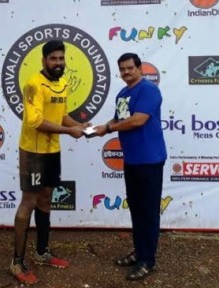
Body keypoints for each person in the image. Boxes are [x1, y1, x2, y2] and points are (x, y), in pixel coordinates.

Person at [10, 40, 90, 285]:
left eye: (61, 58)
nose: (58, 63)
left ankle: (42, 252)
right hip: (33, 153)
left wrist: (77, 126)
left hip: (52, 150)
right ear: (43, 60)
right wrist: (70, 132)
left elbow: (61, 115)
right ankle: (16, 262)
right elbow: (36, 122)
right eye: (53, 58)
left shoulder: (63, 83)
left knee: (46, 199)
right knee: (29, 202)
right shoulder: (33, 84)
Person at [95, 53, 167, 281]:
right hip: (132, 160)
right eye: (122, 69)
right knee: (136, 208)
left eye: (130, 68)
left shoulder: (149, 90)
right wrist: (99, 127)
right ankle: (140, 251)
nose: (126, 72)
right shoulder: (122, 94)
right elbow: (118, 120)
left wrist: (107, 128)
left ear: (139, 69)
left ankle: (148, 260)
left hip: (150, 159)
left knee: (148, 211)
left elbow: (138, 120)